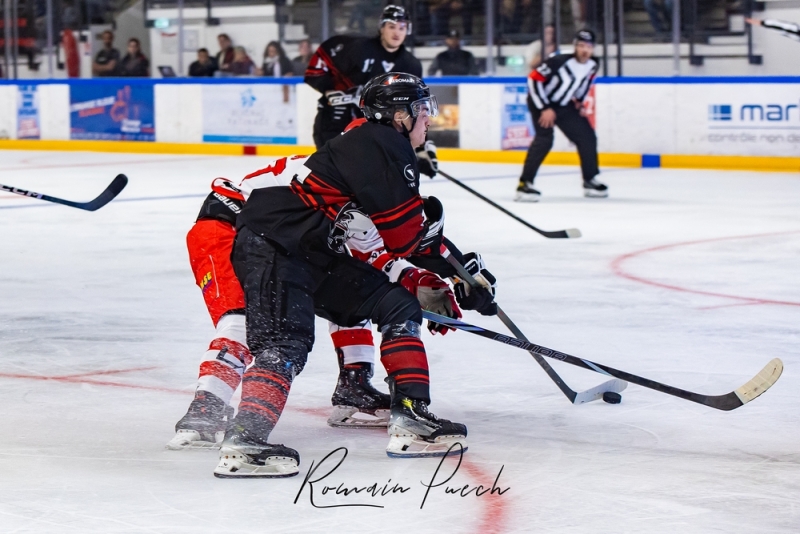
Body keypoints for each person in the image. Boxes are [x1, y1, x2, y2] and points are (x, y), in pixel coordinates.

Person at [214, 73, 469, 478]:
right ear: (399, 114)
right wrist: (446, 256)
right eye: (421, 110)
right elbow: (402, 237)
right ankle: (244, 442)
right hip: (277, 243)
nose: (428, 119)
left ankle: (411, 418)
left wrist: (439, 267)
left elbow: (384, 239)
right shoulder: (383, 143)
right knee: (285, 341)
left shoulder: (374, 142)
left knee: (394, 303)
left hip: (314, 250)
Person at [304, 5, 422, 149]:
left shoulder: (411, 66)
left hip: (376, 129)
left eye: (401, 28)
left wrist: (422, 146)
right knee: (333, 167)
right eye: (392, 26)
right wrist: (329, 88)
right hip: (335, 121)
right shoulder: (357, 48)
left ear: (407, 31)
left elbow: (414, 108)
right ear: (382, 28)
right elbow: (316, 69)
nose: (396, 32)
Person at [516, 30, 606, 201]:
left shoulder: (593, 64)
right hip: (541, 103)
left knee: (587, 136)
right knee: (544, 140)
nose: (584, 50)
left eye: (588, 46)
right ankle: (524, 184)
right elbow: (533, 79)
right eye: (580, 46)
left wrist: (579, 100)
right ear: (575, 47)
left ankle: (590, 180)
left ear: (593, 48)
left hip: (564, 105)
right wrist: (544, 108)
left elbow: (585, 81)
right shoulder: (559, 61)